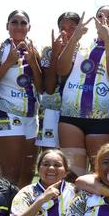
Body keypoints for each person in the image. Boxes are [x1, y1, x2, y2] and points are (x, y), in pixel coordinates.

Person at [56, 6, 109, 176]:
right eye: (100, 16)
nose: (105, 19)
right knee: (73, 176)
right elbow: (61, 70)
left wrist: (108, 39)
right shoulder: (80, 45)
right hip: (70, 117)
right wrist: (74, 38)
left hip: (102, 119)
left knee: (100, 176)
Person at [0, 10, 42, 187]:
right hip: (5, 113)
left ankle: (20, 213)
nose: (19, 26)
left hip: (31, 116)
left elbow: (42, 88)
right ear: (7, 26)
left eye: (23, 23)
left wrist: (34, 63)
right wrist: (8, 63)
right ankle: (3, 213)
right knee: (10, 172)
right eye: (14, 22)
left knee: (27, 174)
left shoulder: (36, 49)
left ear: (29, 27)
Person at [35, 12, 80, 151]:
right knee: (50, 156)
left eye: (72, 27)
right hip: (50, 110)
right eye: (63, 28)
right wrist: (55, 54)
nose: (66, 32)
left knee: (72, 158)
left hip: (74, 112)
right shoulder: (49, 50)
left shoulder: (85, 51)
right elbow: (48, 88)